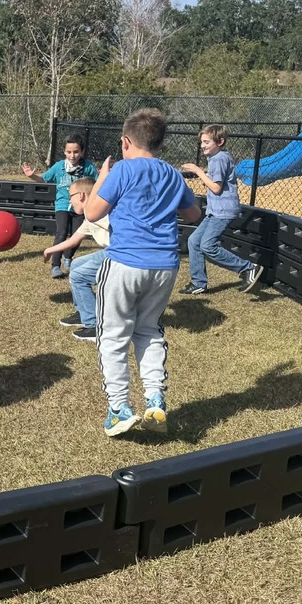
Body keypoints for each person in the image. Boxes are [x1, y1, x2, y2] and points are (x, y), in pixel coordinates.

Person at [83, 109, 201, 438]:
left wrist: (103, 178)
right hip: (164, 266)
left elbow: (92, 212)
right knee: (148, 331)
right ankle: (155, 400)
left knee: (113, 336)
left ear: (125, 141)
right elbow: (194, 214)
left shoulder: (121, 171)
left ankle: (119, 408)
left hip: (124, 263)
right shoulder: (173, 175)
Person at [179, 124, 263, 295]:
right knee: (194, 241)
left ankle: (248, 268)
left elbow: (216, 188)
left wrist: (197, 171)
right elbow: (218, 183)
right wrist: (206, 178)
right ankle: (199, 283)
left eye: (206, 142)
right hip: (215, 210)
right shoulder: (219, 158)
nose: (202, 145)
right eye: (201, 142)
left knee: (208, 246)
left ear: (220, 141)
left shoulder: (218, 159)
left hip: (223, 211)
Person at [42, 177, 109, 343]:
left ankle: (94, 325)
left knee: (78, 276)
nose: (69, 202)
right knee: (77, 264)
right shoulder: (90, 215)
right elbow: (73, 240)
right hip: (110, 251)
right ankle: (83, 311)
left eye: (70, 196)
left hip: (118, 254)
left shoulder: (101, 213)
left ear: (81, 196)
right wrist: (50, 249)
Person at [23, 135, 98, 279]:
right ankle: (55, 265)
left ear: (82, 152)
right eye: (69, 152)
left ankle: (68, 256)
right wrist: (32, 176)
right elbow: (44, 178)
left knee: (78, 234)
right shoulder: (59, 167)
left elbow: (97, 183)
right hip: (63, 205)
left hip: (80, 207)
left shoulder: (87, 167)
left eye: (76, 152)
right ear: (64, 152)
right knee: (61, 233)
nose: (72, 155)